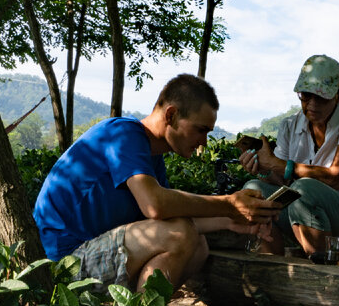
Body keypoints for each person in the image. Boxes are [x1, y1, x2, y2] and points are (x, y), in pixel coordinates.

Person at [33, 74, 278, 291]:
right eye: (200, 129)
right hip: (64, 266)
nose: (204, 141)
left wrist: (233, 220)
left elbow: (165, 217)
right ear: (171, 115)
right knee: (180, 234)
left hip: (95, 253)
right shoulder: (124, 134)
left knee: (198, 245)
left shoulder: (153, 155)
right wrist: (229, 204)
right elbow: (155, 206)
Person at [240, 54, 339, 256]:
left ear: (338, 95)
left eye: (321, 97)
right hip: (321, 217)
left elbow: (337, 177)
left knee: (304, 190)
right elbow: (280, 178)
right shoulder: (290, 125)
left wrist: (277, 164)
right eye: (306, 96)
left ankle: (323, 275)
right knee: (253, 191)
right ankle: (270, 272)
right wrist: (264, 169)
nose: (312, 104)